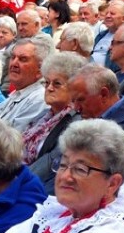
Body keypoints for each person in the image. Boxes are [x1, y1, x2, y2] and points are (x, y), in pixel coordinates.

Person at [22, 53, 87, 194]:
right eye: (46, 82)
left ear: (74, 88)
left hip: (36, 191)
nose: (49, 88)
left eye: (57, 83)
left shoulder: (76, 123)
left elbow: (47, 167)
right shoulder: (43, 117)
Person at [68, 64, 124, 145]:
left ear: (104, 94)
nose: (76, 108)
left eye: (80, 100)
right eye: (73, 101)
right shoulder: (88, 118)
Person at [0, 38, 52, 132]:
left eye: (23, 59)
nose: (14, 63)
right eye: (13, 57)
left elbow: (11, 140)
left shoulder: (40, 100)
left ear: (40, 70)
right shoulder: (13, 96)